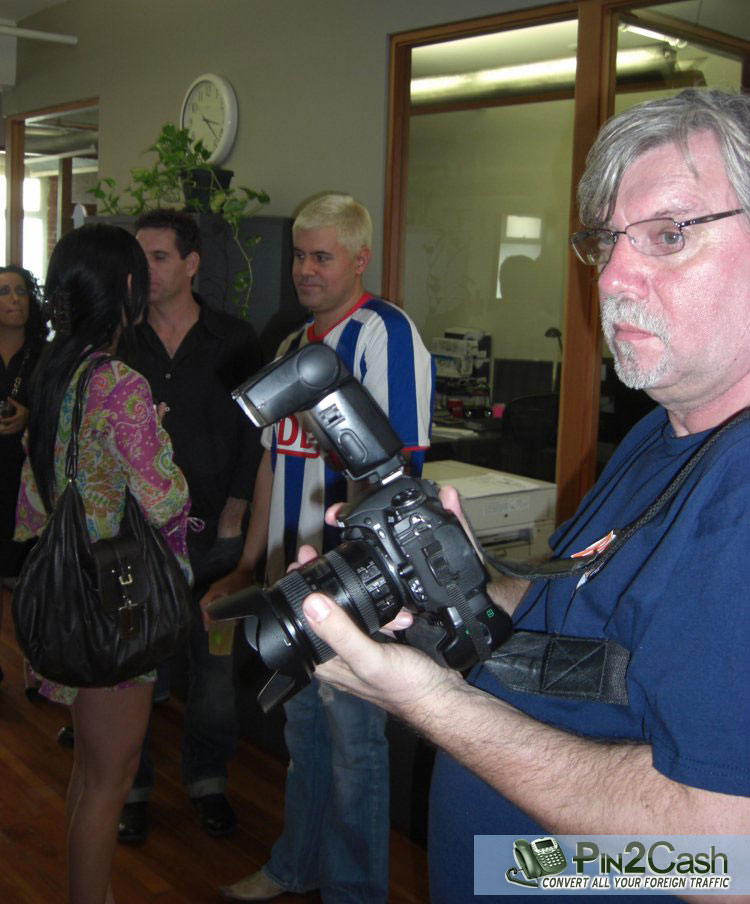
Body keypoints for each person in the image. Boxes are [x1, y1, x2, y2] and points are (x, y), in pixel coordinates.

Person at [279, 90, 750, 904]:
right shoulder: (663, 433)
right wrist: (463, 574)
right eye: (606, 242)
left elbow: (723, 861)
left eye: (669, 236)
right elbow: (586, 623)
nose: (613, 277)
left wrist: (430, 702)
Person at [202, 193, 434, 903]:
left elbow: (401, 468)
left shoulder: (384, 334)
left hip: (351, 588)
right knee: (305, 736)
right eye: (300, 255)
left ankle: (355, 892)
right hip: (291, 583)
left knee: (355, 750)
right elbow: (274, 461)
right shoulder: (292, 349)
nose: (305, 268)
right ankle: (295, 865)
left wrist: (359, 583)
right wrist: (251, 564)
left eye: (321, 256)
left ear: (359, 259)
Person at [14, 223, 192, 904]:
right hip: (117, 582)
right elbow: (165, 497)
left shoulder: (53, 370)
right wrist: (160, 434)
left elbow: (33, 500)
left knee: (88, 772)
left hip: (65, 582)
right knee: (111, 782)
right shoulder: (119, 384)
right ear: (124, 288)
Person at [116, 209, 263, 844]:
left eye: (159, 257)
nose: (145, 270)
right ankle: (134, 785)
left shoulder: (235, 339)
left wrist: (236, 511)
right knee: (138, 675)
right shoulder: (120, 342)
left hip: (217, 542)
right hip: (138, 542)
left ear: (192, 263)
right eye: (139, 258)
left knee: (214, 680)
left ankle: (206, 781)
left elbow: (259, 436)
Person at [0, 265, 47, 672]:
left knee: (31, 580)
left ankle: (37, 668)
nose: (14, 299)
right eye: (4, 292)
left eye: (20, 291)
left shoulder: (45, 354)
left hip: (29, 477)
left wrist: (29, 417)